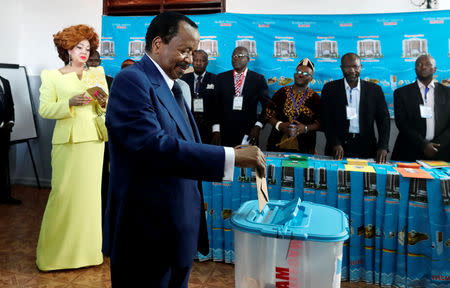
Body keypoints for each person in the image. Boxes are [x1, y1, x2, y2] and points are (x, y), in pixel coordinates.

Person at [102, 12, 265, 287]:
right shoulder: (131, 81)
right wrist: (231, 157)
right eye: (185, 50)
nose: (190, 60)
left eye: (193, 52)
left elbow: (186, 147)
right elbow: (153, 147)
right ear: (157, 44)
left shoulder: (176, 88)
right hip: (146, 235)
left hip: (177, 232)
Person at [36, 24, 108, 271]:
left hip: (93, 142)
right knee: (62, 196)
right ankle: (52, 257)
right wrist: (69, 102)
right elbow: (45, 109)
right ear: (67, 48)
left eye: (88, 48)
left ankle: (89, 254)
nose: (84, 52)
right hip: (66, 143)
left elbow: (106, 105)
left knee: (89, 200)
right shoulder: (51, 76)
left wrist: (100, 99)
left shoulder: (97, 73)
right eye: (79, 47)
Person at [321, 52, 390, 163]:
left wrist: (383, 147)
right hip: (338, 148)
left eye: (355, 66)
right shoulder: (330, 89)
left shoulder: (374, 90)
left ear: (361, 67)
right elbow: (326, 120)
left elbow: (384, 121)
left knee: (366, 179)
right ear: (341, 68)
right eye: (348, 67)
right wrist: (335, 143)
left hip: (367, 148)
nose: (352, 70)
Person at [392, 55, 450, 162]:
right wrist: (423, 145)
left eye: (428, 64)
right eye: (419, 64)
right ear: (415, 69)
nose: (423, 67)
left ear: (435, 69)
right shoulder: (401, 93)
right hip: (410, 150)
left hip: (441, 152)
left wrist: (437, 146)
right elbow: (402, 123)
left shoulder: (447, 93)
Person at [212, 46, 270, 147]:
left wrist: (258, 126)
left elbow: (267, 107)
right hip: (225, 133)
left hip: (249, 133)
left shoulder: (258, 79)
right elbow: (215, 105)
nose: (235, 58)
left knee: (247, 162)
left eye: (240, 55)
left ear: (248, 59)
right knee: (226, 162)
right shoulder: (221, 78)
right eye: (233, 56)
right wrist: (216, 130)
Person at [265, 58, 321, 154]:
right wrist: (280, 125)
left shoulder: (315, 98)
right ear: (294, 74)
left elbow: (321, 123)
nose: (300, 75)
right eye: (298, 71)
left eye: (306, 73)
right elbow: (268, 114)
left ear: (311, 78)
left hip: (305, 147)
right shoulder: (281, 93)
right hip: (277, 144)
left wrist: (306, 128)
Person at [181, 50, 216, 144]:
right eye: (196, 60)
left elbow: (218, 105)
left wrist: (216, 130)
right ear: (192, 62)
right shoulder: (183, 79)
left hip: (209, 127)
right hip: (189, 125)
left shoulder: (215, 79)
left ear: (207, 62)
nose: (198, 63)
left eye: (202, 61)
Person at [0, 76, 20, 205]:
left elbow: (11, 104)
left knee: (3, 163)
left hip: (6, 130)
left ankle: (5, 196)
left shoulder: (5, 81)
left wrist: (11, 121)